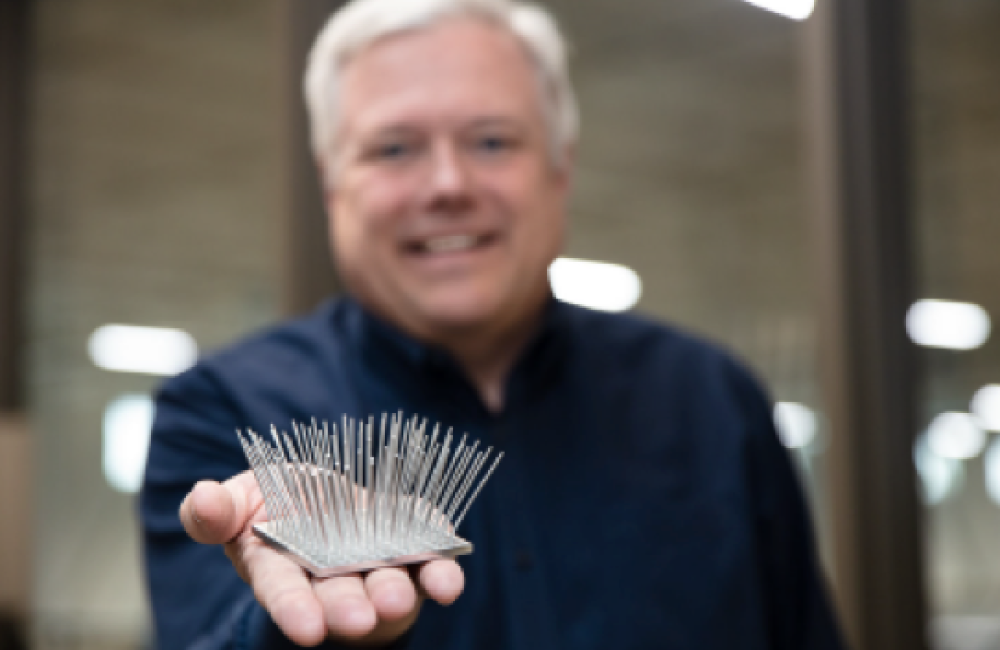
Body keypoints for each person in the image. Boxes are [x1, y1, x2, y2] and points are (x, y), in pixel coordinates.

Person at [140, 0, 846, 648]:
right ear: (332, 181)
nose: (448, 185)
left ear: (561, 167)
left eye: (491, 142)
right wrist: (297, 633)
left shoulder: (713, 402)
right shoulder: (222, 414)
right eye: (394, 148)